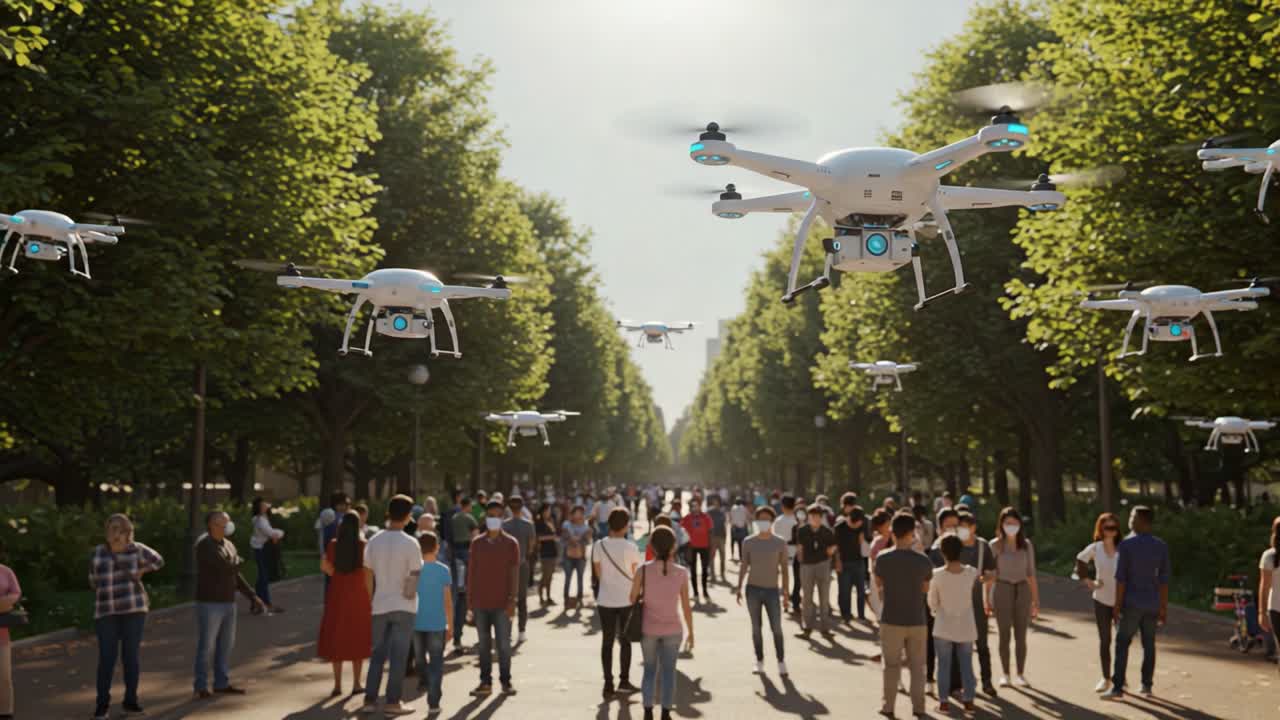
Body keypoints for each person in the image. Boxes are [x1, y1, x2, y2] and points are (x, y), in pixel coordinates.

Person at [89, 514, 164, 720]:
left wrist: (142, 570)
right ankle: (102, 705)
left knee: (131, 657)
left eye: (119, 529)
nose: (115, 532)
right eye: (112, 528)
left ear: (127, 532)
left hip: (134, 610)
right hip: (106, 612)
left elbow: (159, 561)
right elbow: (93, 580)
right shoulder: (98, 553)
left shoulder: (137, 549)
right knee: (106, 659)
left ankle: (130, 701)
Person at [361, 494, 422, 716]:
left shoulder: (374, 541)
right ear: (407, 517)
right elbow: (415, 574)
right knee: (398, 656)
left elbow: (367, 573)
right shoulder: (411, 543)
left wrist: (371, 598)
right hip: (404, 605)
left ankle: (369, 699)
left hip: (380, 603)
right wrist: (409, 595)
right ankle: (392, 702)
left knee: (377, 654)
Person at [194, 511, 265, 699]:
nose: (226, 525)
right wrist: (237, 562)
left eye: (226, 522)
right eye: (221, 522)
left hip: (228, 602)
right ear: (211, 524)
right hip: (209, 603)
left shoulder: (229, 545)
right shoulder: (205, 545)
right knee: (206, 646)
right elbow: (225, 568)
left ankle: (221, 683)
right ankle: (200, 686)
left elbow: (235, 575)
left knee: (225, 645)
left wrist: (252, 596)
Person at [1102, 505, 1170, 700]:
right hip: (1152, 603)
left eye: (1133, 517)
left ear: (1143, 521)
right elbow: (1163, 580)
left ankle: (1117, 688)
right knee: (1149, 644)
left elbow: (1121, 578)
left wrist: (1116, 606)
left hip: (1131, 603)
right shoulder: (1161, 546)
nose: (1129, 520)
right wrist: (1163, 607)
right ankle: (1146, 686)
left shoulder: (1126, 545)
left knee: (1122, 643)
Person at [629, 526, 694, 720]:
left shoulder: (643, 570)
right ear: (674, 547)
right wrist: (691, 632)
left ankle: (648, 710)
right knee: (668, 672)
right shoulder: (682, 572)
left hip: (648, 629)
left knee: (649, 670)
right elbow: (686, 606)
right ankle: (666, 711)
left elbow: (632, 599)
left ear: (652, 547)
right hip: (673, 629)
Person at [874, 512, 933, 719]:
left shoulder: (882, 558)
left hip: (891, 619)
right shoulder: (923, 561)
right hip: (917, 619)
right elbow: (926, 589)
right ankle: (919, 708)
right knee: (917, 667)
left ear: (893, 531)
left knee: (891, 666)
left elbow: (879, 585)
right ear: (911, 533)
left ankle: (888, 706)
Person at [467, 501, 521, 697]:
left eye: (498, 515)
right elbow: (471, 574)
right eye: (490, 515)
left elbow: (515, 574)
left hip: (502, 603)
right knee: (483, 646)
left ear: (503, 518)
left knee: (504, 645)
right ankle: (485, 682)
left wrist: (512, 601)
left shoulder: (511, 544)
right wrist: (470, 603)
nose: (494, 519)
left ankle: (506, 682)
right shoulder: (477, 543)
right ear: (485, 517)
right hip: (481, 603)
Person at [318, 512, 372, 699]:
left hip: (338, 594)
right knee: (357, 637)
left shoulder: (333, 545)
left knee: (337, 637)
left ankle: (337, 685)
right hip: (358, 594)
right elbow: (367, 573)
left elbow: (324, 566)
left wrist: (336, 574)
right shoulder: (363, 545)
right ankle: (357, 683)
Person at [592, 507, 642, 698]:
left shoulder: (599, 545)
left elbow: (598, 572)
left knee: (607, 641)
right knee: (625, 641)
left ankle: (607, 683)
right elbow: (636, 572)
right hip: (626, 598)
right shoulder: (631, 547)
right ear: (625, 525)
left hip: (605, 598)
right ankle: (624, 680)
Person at [736, 504, 790, 676]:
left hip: (772, 591)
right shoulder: (748, 542)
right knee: (756, 628)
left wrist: (786, 592)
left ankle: (781, 660)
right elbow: (744, 565)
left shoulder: (779, 542)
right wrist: (738, 587)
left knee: (776, 628)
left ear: (772, 521)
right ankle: (759, 660)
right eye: (760, 519)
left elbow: (784, 569)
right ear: (756, 521)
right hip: (753, 590)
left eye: (767, 519)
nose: (764, 522)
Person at [989, 507, 1039, 688]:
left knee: (1021, 635)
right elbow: (989, 574)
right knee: (1004, 634)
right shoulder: (994, 545)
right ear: (1001, 525)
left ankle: (1020, 673)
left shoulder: (1026, 545)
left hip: (1023, 589)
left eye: (1015, 523)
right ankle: (1005, 673)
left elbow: (1031, 573)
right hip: (1002, 588)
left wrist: (1035, 600)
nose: (1011, 526)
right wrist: (987, 598)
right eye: (1007, 523)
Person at [928, 535, 977, 714]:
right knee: (966, 663)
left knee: (943, 664)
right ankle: (969, 700)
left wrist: (936, 612)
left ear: (942, 552)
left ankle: (943, 702)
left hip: (943, 624)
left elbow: (932, 601)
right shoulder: (971, 572)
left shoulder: (937, 575)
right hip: (966, 623)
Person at [1074, 512, 1121, 693]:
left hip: (1120, 602)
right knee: (1105, 640)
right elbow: (1080, 560)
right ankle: (1106, 678)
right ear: (1101, 529)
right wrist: (1089, 582)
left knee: (1121, 641)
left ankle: (1119, 678)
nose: (1111, 531)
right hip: (1101, 600)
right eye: (1107, 528)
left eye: (1114, 528)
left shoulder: (1124, 548)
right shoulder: (1096, 548)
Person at [956, 511, 998, 696]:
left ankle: (987, 682)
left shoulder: (983, 547)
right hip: (956, 602)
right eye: (960, 527)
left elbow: (992, 572)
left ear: (974, 528)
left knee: (982, 644)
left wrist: (986, 577)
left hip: (977, 602)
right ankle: (963, 682)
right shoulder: (953, 545)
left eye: (966, 526)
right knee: (960, 645)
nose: (963, 530)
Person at [412, 532, 453, 714]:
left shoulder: (416, 570)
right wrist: (451, 624)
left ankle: (433, 699)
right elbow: (448, 601)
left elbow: (408, 595)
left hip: (420, 623)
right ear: (437, 547)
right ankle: (433, 697)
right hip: (433, 624)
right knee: (430, 662)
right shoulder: (441, 570)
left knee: (423, 660)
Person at [796, 505, 836, 636]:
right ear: (808, 517)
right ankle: (807, 627)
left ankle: (825, 628)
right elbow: (800, 548)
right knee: (807, 597)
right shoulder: (802, 530)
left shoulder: (827, 531)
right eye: (811, 516)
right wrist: (802, 561)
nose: (814, 518)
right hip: (807, 565)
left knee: (824, 597)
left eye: (816, 516)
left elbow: (833, 547)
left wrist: (828, 555)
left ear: (821, 517)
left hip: (823, 564)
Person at [502, 495, 537, 643]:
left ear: (509, 507)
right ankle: (521, 631)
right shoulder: (528, 525)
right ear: (522, 507)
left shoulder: (504, 525)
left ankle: (507, 630)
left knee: (507, 598)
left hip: (506, 566)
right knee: (522, 599)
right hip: (522, 564)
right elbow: (531, 545)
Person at [449, 496, 478, 654]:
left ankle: (455, 636)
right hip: (466, 553)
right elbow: (475, 535)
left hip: (454, 555)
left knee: (458, 594)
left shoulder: (453, 518)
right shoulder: (469, 518)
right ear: (468, 506)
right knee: (465, 594)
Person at [249, 497, 286, 615]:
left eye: (266, 504)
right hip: (262, 549)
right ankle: (264, 603)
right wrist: (280, 533)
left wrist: (275, 534)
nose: (266, 506)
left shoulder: (261, 518)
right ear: (259, 507)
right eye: (263, 505)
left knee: (262, 577)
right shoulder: (260, 520)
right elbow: (272, 533)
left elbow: (272, 534)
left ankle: (258, 603)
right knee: (263, 577)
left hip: (262, 548)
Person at [835, 500, 867, 623]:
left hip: (858, 562)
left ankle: (861, 615)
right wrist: (837, 562)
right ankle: (846, 615)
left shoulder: (862, 525)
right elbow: (836, 547)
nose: (857, 526)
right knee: (844, 591)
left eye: (859, 524)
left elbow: (862, 543)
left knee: (861, 591)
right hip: (844, 562)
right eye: (855, 525)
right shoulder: (839, 527)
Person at [680, 497, 713, 602]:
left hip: (705, 546)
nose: (695, 507)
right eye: (693, 505)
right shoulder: (687, 518)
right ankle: (695, 593)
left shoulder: (706, 517)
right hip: (691, 547)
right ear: (691, 507)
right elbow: (681, 532)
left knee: (704, 570)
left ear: (700, 506)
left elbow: (710, 532)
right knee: (693, 571)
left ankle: (705, 592)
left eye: (697, 505)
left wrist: (712, 546)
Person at [773, 495, 800, 611]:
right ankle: (795, 602)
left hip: (782, 552)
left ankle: (785, 601)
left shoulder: (778, 521)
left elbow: (774, 539)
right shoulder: (797, 520)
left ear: (782, 506)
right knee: (797, 578)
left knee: (785, 578)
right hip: (797, 552)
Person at [562, 505, 592, 608]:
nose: (579, 515)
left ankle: (580, 599)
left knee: (580, 579)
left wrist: (579, 538)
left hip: (581, 556)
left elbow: (588, 540)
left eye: (581, 513)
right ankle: (566, 600)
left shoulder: (586, 526)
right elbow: (564, 537)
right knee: (568, 578)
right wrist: (577, 538)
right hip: (568, 555)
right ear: (573, 513)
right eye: (577, 512)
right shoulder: (566, 524)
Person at [0, 538, 17, 720]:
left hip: (1, 635)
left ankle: (6, 713)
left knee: (4, 677)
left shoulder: (5, 571)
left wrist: (8, 601)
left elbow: (16, 592)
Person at [534, 503, 559, 606]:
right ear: (543, 511)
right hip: (545, 553)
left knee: (550, 577)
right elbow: (538, 538)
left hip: (553, 552)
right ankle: (541, 598)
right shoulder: (539, 523)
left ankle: (548, 597)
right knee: (545, 576)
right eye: (548, 510)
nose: (549, 512)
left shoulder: (549, 521)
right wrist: (551, 537)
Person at [707, 495, 728, 582]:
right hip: (713, 537)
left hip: (721, 537)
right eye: (714, 501)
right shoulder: (709, 512)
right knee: (711, 557)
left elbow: (724, 525)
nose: (716, 503)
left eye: (717, 501)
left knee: (722, 556)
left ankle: (722, 574)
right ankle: (712, 575)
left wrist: (725, 536)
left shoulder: (722, 512)